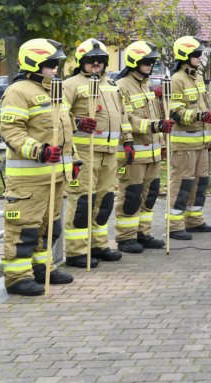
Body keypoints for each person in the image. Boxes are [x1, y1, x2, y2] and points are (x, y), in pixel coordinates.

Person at [0, 39, 75, 295]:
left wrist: (72, 161)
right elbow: (11, 130)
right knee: (24, 228)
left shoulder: (55, 91)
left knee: (49, 227)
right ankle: (18, 278)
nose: (56, 69)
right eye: (51, 64)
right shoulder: (19, 91)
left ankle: (43, 269)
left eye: (56, 64)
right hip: (28, 180)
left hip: (53, 176)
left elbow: (64, 131)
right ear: (34, 63)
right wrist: (38, 150)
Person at [63, 39, 129, 267]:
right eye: (91, 60)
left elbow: (122, 115)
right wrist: (78, 122)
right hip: (84, 152)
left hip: (109, 151)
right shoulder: (70, 84)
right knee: (83, 201)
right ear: (82, 61)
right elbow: (60, 116)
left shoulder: (113, 85)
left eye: (100, 60)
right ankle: (75, 251)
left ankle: (98, 245)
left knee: (104, 201)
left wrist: (127, 141)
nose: (96, 64)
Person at [114, 40, 173, 252]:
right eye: (147, 62)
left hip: (153, 152)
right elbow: (127, 119)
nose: (150, 65)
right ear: (134, 62)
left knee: (150, 194)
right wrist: (155, 126)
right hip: (134, 153)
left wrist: (162, 141)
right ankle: (125, 237)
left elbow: (156, 115)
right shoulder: (121, 87)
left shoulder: (146, 85)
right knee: (131, 193)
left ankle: (142, 232)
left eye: (152, 62)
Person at [167, 36, 211, 240]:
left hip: (202, 143)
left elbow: (204, 106)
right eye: (196, 54)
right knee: (182, 184)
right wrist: (200, 116)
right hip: (184, 144)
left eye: (200, 54)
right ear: (184, 56)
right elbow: (175, 112)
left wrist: (208, 124)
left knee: (200, 182)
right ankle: (175, 224)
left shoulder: (197, 77)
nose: (199, 57)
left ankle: (194, 220)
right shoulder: (177, 80)